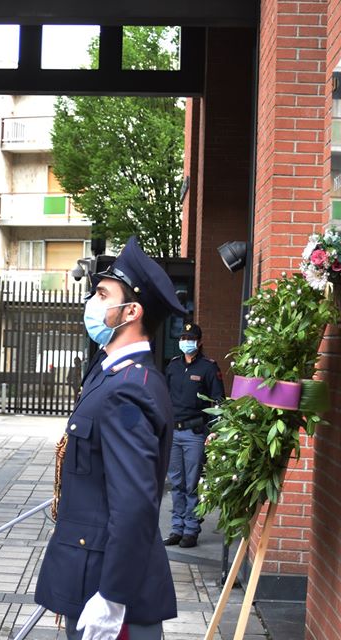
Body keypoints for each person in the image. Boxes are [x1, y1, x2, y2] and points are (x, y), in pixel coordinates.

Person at [35, 236, 184, 640]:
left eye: (103, 294)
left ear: (131, 311)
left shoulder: (129, 388)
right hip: (86, 569)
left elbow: (134, 504)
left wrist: (112, 597)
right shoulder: (108, 372)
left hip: (108, 587)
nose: (93, 302)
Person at [163, 322, 224, 549]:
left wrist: (214, 432)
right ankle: (176, 528)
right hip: (174, 432)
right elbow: (165, 397)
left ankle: (191, 530)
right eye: (183, 337)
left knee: (192, 484)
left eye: (190, 337)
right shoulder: (173, 366)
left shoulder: (208, 367)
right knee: (176, 483)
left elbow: (218, 401)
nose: (186, 341)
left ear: (199, 342)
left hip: (195, 434)